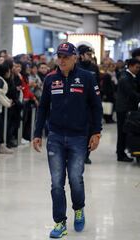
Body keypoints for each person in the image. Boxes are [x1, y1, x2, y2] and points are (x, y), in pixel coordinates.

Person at [33, 42, 103, 238]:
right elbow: (43, 108)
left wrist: (96, 132)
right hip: (55, 136)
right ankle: (59, 223)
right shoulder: (50, 79)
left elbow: (96, 107)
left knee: (75, 179)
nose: (61, 60)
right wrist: (37, 133)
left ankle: (79, 208)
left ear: (75, 58)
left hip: (78, 137)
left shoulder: (87, 78)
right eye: (59, 56)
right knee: (56, 182)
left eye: (65, 56)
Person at [115, 58, 140, 162]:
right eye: (137, 67)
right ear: (130, 66)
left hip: (125, 108)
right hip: (124, 109)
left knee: (124, 131)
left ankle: (121, 152)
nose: (138, 69)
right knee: (122, 132)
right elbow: (130, 93)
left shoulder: (129, 76)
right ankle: (120, 155)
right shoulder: (125, 78)